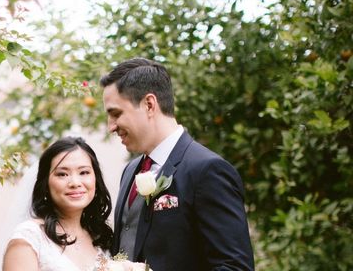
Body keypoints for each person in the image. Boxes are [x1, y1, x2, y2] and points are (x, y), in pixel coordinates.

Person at [100, 57, 255, 271]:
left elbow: (235, 267)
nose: (111, 127)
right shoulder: (130, 171)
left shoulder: (208, 171)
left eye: (116, 114)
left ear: (149, 104)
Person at [2, 136, 141, 271]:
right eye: (62, 174)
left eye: (84, 172)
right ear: (45, 183)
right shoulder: (30, 238)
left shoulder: (101, 237)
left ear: (95, 179)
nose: (75, 183)